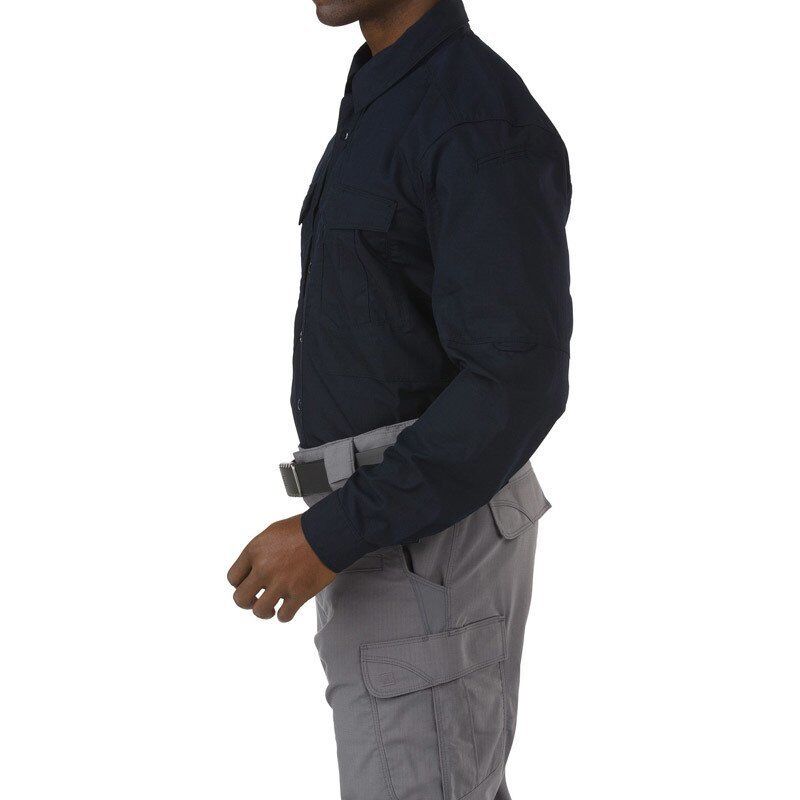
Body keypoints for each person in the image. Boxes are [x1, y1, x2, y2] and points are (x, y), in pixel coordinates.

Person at [227, 0, 572, 797]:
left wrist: (330, 534)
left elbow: (516, 384)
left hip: (425, 546)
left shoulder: (473, 119)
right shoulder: (387, 97)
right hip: (397, 539)